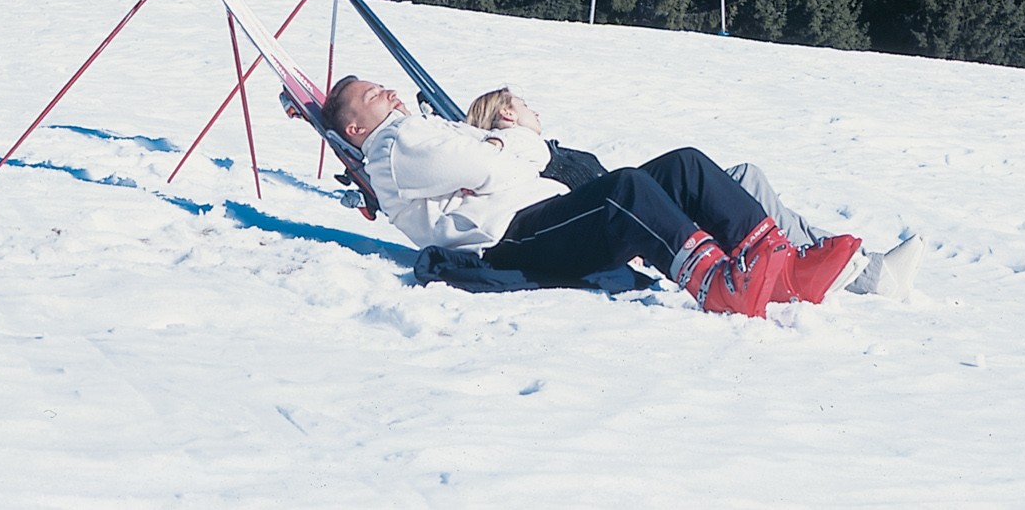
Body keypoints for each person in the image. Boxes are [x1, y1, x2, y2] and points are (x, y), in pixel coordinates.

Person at [325, 74, 859, 318]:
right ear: (354, 128)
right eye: (374, 95)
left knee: (684, 165)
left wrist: (505, 153)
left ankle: (779, 264)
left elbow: (496, 161)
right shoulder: (395, 144)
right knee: (625, 190)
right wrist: (516, 149)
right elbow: (494, 163)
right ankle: (722, 286)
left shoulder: (417, 131)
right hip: (515, 235)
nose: (390, 92)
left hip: (539, 212)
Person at [465, 86, 919, 300]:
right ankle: (866, 275)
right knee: (718, 177)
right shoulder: (516, 155)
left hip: (631, 205)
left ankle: (819, 261)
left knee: (744, 175)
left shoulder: (552, 149)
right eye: (525, 104)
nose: (535, 108)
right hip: (623, 222)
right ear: (507, 113)